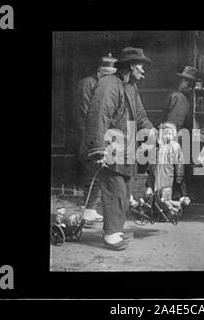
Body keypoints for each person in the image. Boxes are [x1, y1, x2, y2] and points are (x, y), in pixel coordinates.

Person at [85, 47, 157, 250]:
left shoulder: (131, 87)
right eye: (141, 66)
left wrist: (151, 130)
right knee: (114, 189)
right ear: (132, 66)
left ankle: (115, 230)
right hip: (110, 147)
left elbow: (140, 114)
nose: (143, 71)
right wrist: (98, 149)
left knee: (124, 191)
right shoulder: (108, 85)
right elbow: (99, 116)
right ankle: (110, 234)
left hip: (125, 148)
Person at [74, 53, 118, 223]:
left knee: (101, 172)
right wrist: (93, 139)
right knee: (92, 171)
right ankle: (87, 208)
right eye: (106, 75)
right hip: (90, 134)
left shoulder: (106, 86)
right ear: (99, 72)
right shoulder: (88, 84)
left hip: (104, 134)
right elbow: (85, 113)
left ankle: (92, 207)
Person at [165, 66, 198, 131]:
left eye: (190, 83)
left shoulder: (183, 97)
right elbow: (175, 124)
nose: (187, 85)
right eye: (185, 81)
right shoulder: (179, 98)